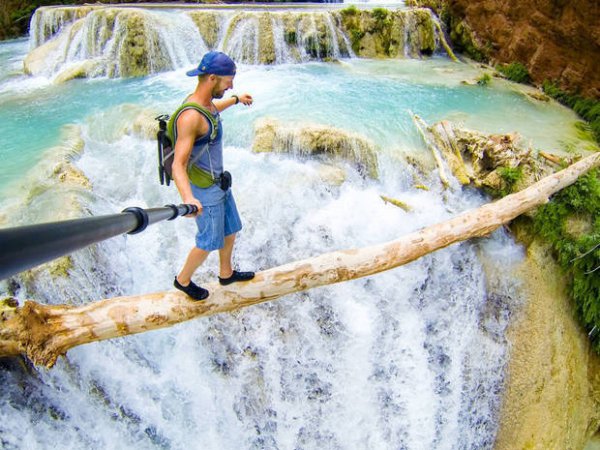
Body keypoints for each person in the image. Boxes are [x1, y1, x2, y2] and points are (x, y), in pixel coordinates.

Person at [171, 51, 255, 301]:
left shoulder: (205, 105)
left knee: (231, 229)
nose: (231, 84)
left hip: (220, 184)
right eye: (229, 80)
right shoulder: (190, 117)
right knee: (208, 241)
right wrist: (189, 198)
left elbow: (213, 110)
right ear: (211, 78)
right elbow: (178, 164)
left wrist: (235, 99)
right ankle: (182, 280)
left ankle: (225, 273)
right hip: (204, 191)